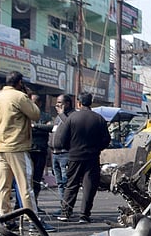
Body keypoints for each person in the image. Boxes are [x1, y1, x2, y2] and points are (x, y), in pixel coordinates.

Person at [0, 71, 41, 217]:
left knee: (3, 186)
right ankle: (32, 220)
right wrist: (28, 97)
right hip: (17, 147)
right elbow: (35, 114)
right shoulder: (19, 97)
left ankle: (5, 217)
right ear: (20, 83)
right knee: (25, 186)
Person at [55, 92, 110, 223]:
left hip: (74, 156)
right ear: (90, 102)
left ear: (79, 103)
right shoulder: (99, 119)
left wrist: (72, 149)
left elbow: (62, 140)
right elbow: (106, 140)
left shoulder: (72, 118)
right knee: (89, 186)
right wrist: (97, 149)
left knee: (71, 184)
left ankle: (65, 213)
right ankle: (84, 215)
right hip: (92, 157)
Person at [49, 94, 75, 197]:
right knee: (59, 182)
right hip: (55, 154)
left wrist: (62, 114)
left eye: (60, 102)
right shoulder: (58, 117)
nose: (57, 105)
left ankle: (66, 207)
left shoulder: (72, 115)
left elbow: (71, 126)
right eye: (57, 102)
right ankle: (62, 205)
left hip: (65, 154)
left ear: (67, 104)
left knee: (65, 182)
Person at [29, 93, 53, 205]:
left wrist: (35, 126)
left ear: (39, 103)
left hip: (40, 150)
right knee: (27, 179)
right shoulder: (26, 114)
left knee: (37, 179)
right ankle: (21, 205)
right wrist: (40, 129)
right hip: (28, 150)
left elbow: (51, 127)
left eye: (34, 102)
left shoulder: (45, 116)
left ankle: (35, 204)